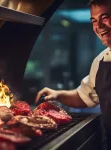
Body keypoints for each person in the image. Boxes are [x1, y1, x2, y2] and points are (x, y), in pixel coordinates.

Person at [35, 0, 111, 149]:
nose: (99, 26)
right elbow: (84, 96)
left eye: (105, 17)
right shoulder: (101, 61)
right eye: (94, 21)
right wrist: (57, 94)